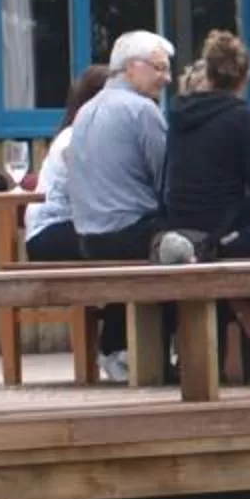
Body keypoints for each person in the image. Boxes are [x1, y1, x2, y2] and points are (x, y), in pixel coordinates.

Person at [161, 28, 250, 374]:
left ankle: (229, 344)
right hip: (222, 236)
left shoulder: (178, 117)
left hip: (178, 230)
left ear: (207, 74)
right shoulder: (243, 119)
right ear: (244, 78)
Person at [61, 29, 173, 379]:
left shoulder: (86, 111)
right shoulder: (142, 111)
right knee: (190, 244)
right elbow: (165, 178)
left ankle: (117, 346)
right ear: (132, 68)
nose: (167, 78)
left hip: (88, 238)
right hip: (131, 234)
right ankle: (166, 356)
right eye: (159, 68)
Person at [20, 63, 112, 269]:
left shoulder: (89, 134)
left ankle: (106, 301)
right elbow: (95, 194)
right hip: (50, 233)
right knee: (113, 243)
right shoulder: (73, 139)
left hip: (76, 228)